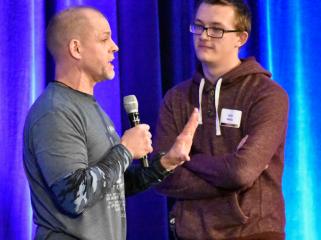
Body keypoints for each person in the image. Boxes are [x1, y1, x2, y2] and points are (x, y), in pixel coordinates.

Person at [23, 6, 199, 240]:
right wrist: (125, 150)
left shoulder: (89, 107)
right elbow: (74, 196)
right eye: (104, 39)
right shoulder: (55, 111)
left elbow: (111, 184)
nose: (115, 46)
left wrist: (166, 162)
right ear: (76, 48)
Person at [154, 0, 289, 239]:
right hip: (190, 233)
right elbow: (160, 176)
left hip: (252, 232)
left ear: (241, 38)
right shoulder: (177, 97)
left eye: (216, 29)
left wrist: (187, 160)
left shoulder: (268, 95)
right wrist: (230, 172)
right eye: (199, 26)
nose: (204, 36)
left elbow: (241, 172)